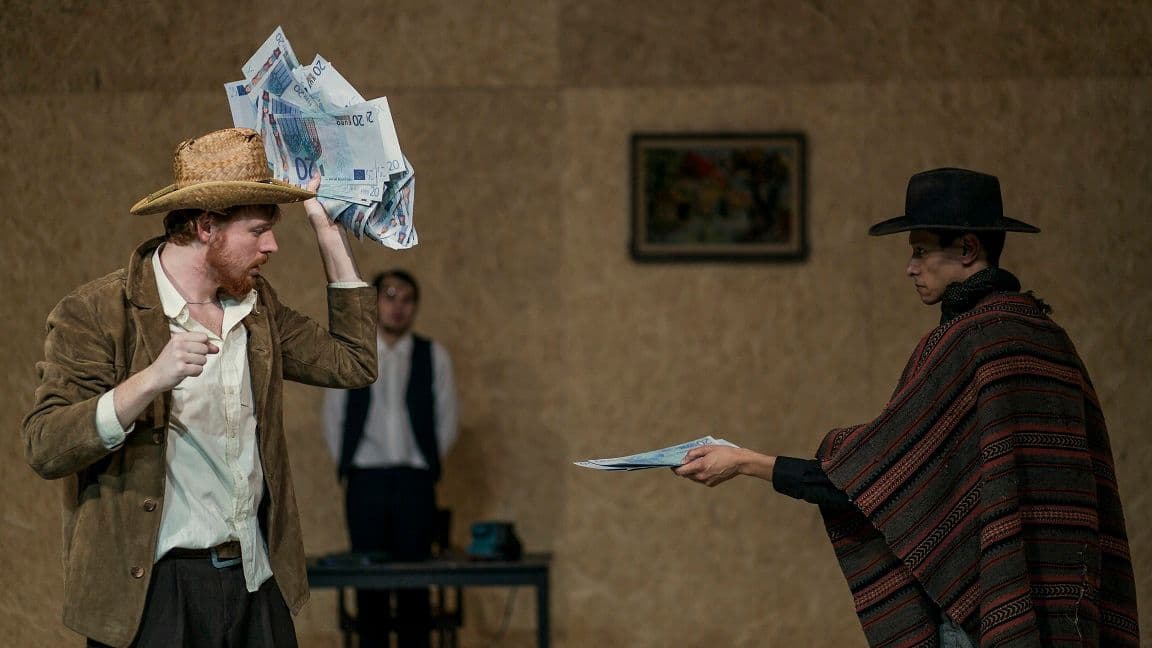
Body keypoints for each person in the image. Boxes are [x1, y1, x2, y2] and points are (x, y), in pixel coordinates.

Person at [674, 168, 1140, 647]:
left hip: (979, 627)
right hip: (1067, 618)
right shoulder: (1048, 338)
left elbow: (868, 482)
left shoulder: (966, 342)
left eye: (920, 251)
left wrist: (744, 462)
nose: (910, 268)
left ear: (967, 249)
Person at [22, 127, 379, 648]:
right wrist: (149, 380)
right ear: (207, 226)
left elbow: (354, 363)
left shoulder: (256, 308)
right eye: (258, 230)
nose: (272, 245)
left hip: (254, 579)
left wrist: (328, 235)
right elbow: (46, 444)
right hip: (153, 593)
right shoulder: (98, 312)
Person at [322, 269, 458, 648]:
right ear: (374, 302)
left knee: (415, 585)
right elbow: (334, 419)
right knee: (370, 588)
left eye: (408, 299)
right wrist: (351, 465)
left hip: (415, 483)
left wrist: (425, 465)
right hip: (365, 483)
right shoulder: (353, 352)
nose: (399, 307)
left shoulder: (433, 355)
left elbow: (447, 419)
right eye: (390, 296)